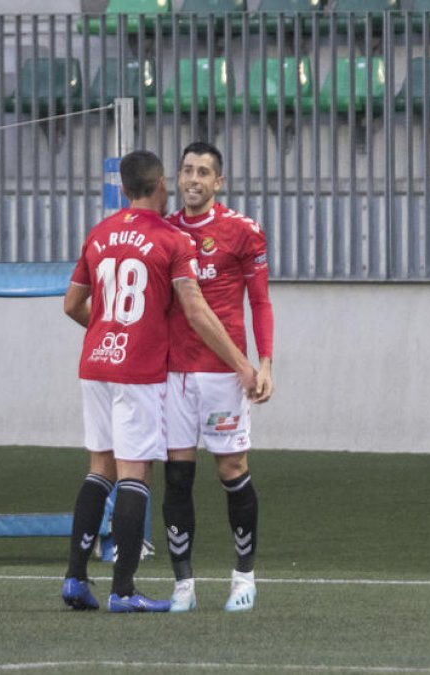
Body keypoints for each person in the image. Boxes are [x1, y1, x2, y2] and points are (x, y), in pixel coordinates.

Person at [59, 149, 256, 613]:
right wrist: (242, 364)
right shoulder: (171, 239)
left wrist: (109, 328)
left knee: (98, 468)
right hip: (138, 370)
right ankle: (124, 589)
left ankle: (74, 578)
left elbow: (71, 305)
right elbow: (196, 312)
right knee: (135, 472)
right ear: (160, 184)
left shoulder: (100, 233)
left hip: (95, 363)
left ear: (124, 189)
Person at [162, 141, 274, 613]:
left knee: (232, 471)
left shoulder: (243, 232)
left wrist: (264, 362)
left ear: (218, 182)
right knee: (177, 478)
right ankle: (183, 586)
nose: (193, 179)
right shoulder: (164, 231)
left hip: (225, 376)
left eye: (203, 172)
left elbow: (260, 302)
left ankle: (243, 578)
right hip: (173, 375)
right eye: (187, 170)